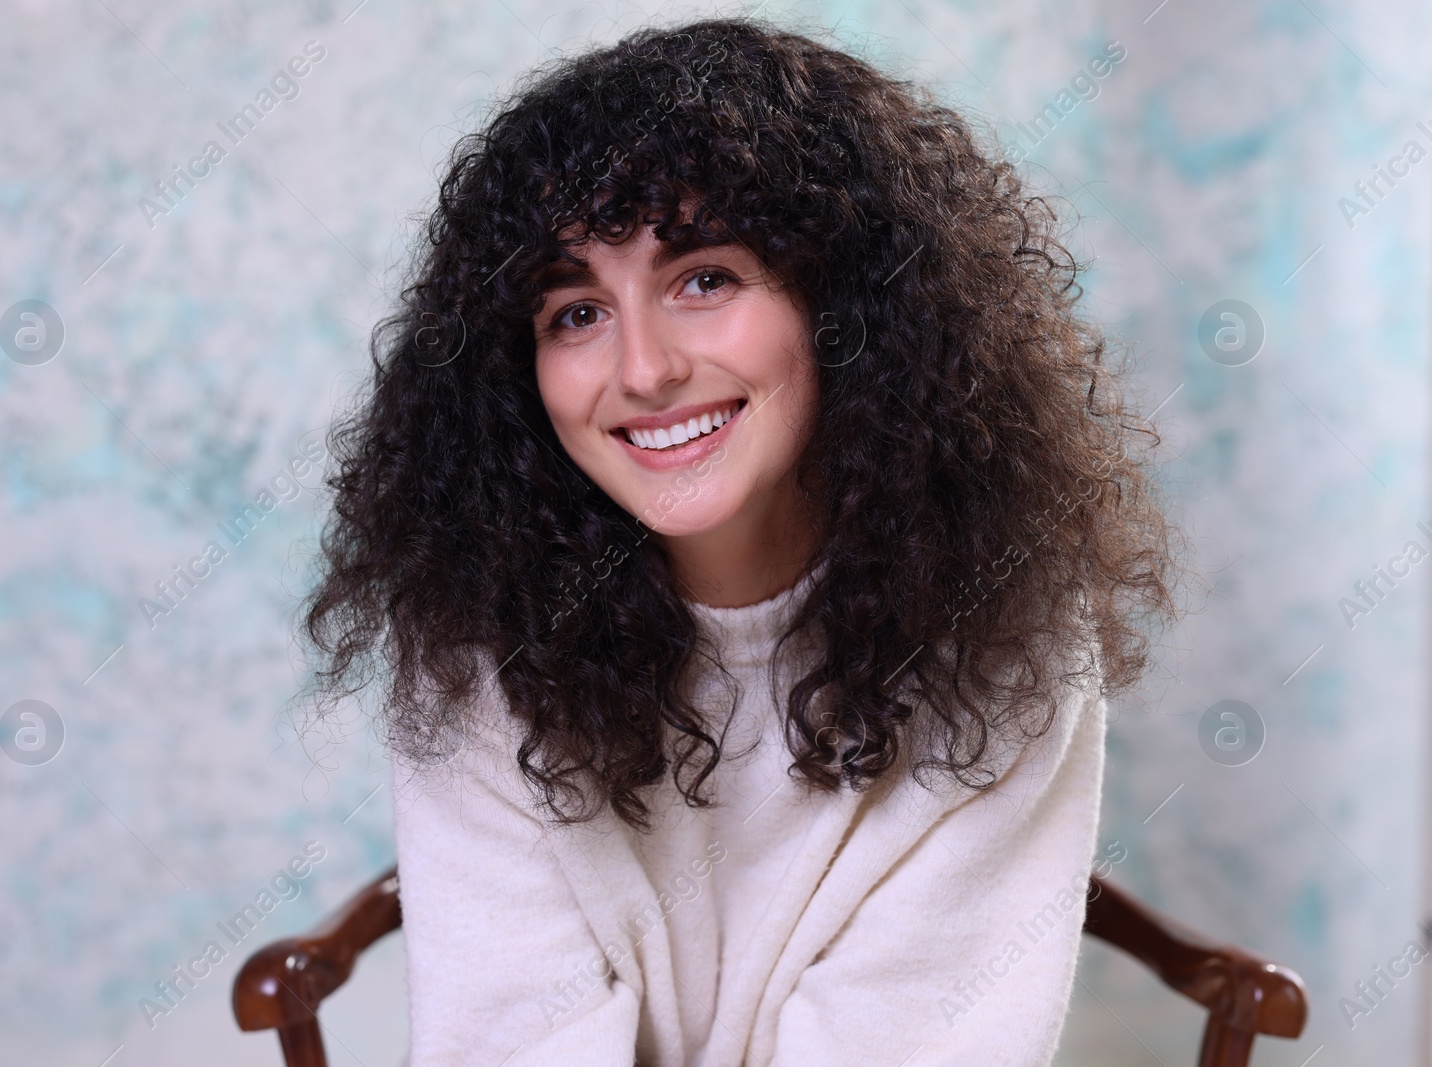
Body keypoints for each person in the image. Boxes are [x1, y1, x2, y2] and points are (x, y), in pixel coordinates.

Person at [300, 15, 1186, 1067]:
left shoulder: (1006, 627)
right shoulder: (473, 636)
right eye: (574, 312)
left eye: (703, 279)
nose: (641, 369)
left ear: (850, 307)